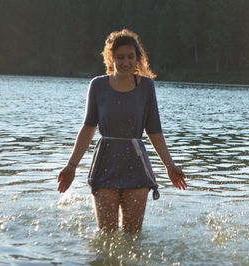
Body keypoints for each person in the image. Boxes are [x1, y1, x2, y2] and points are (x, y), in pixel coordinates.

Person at [57, 29, 187, 232]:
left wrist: (169, 165)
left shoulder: (146, 87)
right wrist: (71, 165)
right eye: (120, 57)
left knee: (132, 237)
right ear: (111, 58)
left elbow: (154, 130)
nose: (126, 62)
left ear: (138, 58)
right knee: (106, 236)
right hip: (105, 163)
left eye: (130, 57)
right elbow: (88, 128)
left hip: (135, 163)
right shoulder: (98, 85)